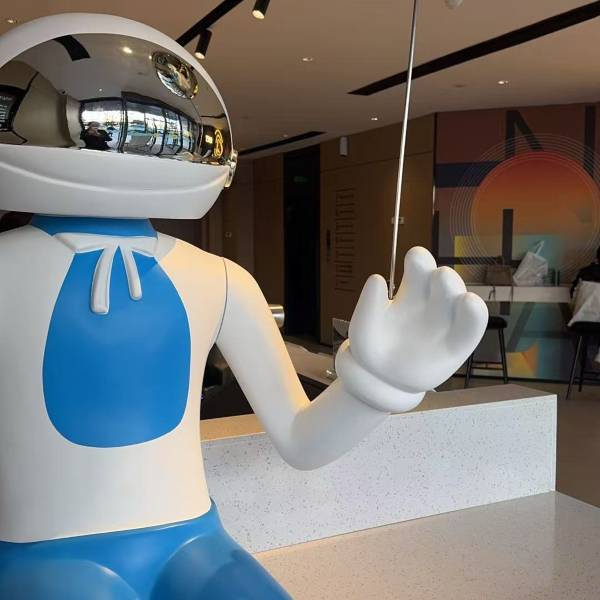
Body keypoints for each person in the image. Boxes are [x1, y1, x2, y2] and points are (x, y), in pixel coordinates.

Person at [0, 14, 487, 599]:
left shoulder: (221, 280)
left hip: (193, 541)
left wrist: (379, 386)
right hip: (43, 552)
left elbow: (302, 440)